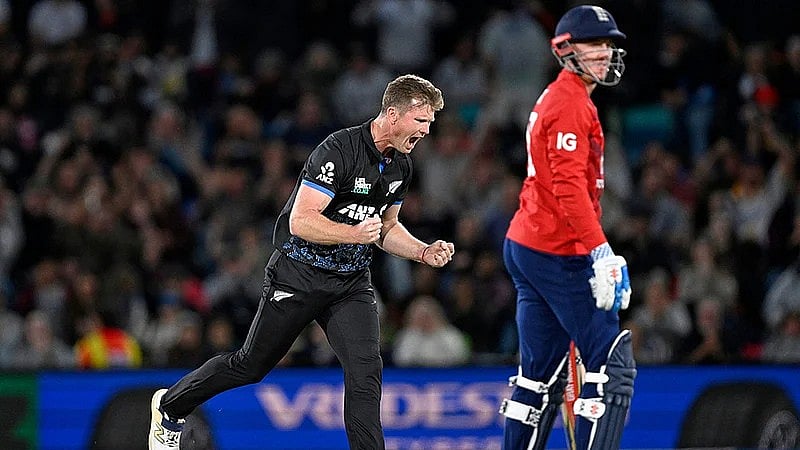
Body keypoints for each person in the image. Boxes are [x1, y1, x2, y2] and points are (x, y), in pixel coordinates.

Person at [148, 74, 455, 450]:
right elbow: (301, 221)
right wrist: (353, 233)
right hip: (299, 274)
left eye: (429, 122)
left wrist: (422, 251)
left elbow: (387, 227)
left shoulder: (401, 167)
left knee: (366, 371)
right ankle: (170, 406)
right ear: (393, 114)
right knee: (250, 365)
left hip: (350, 282)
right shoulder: (338, 150)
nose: (426, 131)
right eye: (421, 120)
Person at [498, 6, 635, 450]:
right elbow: (568, 187)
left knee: (538, 380)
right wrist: (600, 250)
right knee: (610, 366)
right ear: (566, 49)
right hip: (557, 249)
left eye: (608, 44)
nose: (605, 52)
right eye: (594, 44)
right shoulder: (571, 103)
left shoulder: (565, 96)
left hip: (529, 241)